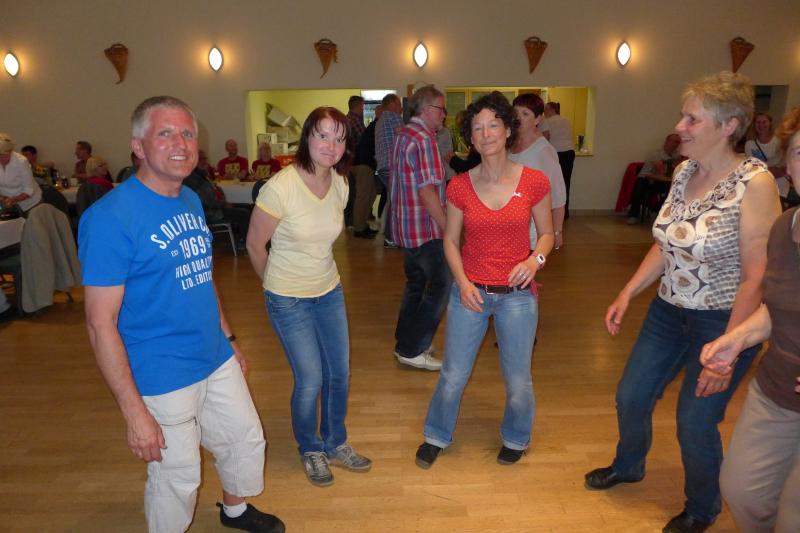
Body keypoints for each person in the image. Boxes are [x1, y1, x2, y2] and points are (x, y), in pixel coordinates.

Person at [583, 71, 782, 533]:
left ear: (728, 125)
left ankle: (702, 507)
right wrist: (628, 291)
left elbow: (756, 277)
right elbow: (667, 244)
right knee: (631, 396)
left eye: (692, 119)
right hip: (668, 312)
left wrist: (728, 349)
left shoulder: (754, 183)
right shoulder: (684, 171)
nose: (680, 126)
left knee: (695, 420)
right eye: (682, 116)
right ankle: (629, 464)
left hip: (724, 320)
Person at [79, 96, 284, 533]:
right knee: (178, 475)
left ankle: (234, 510)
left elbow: (201, 277)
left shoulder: (189, 198)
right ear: (138, 146)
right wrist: (134, 412)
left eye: (187, 133)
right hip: (162, 370)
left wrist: (229, 341)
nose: (181, 143)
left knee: (244, 439)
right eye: (166, 133)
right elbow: (99, 325)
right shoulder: (110, 218)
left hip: (213, 354)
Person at [416, 91, 554, 469]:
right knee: (453, 373)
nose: (486, 133)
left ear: (508, 130)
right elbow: (450, 240)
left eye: (493, 124)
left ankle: (516, 437)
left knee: (518, 378)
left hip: (518, 296)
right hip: (471, 292)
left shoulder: (534, 181)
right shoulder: (460, 186)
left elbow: (547, 234)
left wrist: (535, 260)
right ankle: (436, 435)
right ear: (471, 139)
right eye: (478, 128)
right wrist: (462, 283)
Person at [246, 107, 371, 488]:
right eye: (323, 135)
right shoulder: (280, 187)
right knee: (311, 378)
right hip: (288, 297)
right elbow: (254, 245)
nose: (331, 145)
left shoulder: (340, 183)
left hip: (329, 290)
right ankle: (311, 447)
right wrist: (276, 288)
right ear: (307, 138)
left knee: (339, 373)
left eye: (339, 138)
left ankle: (335, 441)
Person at [700, 107, 800, 533]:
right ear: (787, 164)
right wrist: (738, 338)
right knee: (742, 491)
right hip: (776, 390)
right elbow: (777, 308)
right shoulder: (784, 228)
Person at [389, 85, 451, 371]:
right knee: (441, 286)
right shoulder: (424, 139)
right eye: (441, 109)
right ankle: (412, 349)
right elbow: (427, 192)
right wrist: (448, 229)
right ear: (427, 109)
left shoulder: (404, 134)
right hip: (425, 229)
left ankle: (406, 340)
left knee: (415, 285)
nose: (444, 115)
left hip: (407, 228)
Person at [509, 93, 567, 249]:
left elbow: (558, 194)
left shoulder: (544, 150)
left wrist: (557, 231)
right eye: (515, 113)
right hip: (509, 228)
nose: (518, 118)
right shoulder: (509, 145)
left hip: (531, 232)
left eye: (525, 114)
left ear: (537, 119)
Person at [626, 133, 683, 223]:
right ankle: (634, 214)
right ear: (667, 141)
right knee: (640, 185)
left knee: (675, 189)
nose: (676, 144)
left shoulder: (676, 155)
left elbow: (677, 168)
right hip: (646, 178)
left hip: (661, 180)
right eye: (675, 141)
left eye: (678, 142)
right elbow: (662, 171)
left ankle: (656, 210)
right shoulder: (656, 154)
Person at [375, 93, 403, 248]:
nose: (400, 107)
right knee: (396, 202)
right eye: (398, 104)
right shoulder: (392, 117)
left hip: (383, 167)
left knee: (392, 201)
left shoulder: (380, 120)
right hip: (392, 166)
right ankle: (390, 238)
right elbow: (406, 136)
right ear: (391, 104)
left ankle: (389, 235)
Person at [539, 102, 575, 217]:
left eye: (545, 109)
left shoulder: (545, 121)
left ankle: (553, 213)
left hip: (555, 153)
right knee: (566, 182)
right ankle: (565, 213)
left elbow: (545, 137)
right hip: (569, 152)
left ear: (552, 109)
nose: (544, 112)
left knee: (553, 183)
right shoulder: (566, 120)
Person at [351, 104, 381, 238]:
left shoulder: (374, 126)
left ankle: (362, 224)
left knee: (371, 193)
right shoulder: (377, 126)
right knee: (363, 196)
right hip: (363, 163)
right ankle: (359, 228)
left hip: (360, 162)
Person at [745, 112, 789, 197]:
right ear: (754, 125)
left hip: (779, 188)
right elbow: (751, 168)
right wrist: (774, 169)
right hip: (759, 186)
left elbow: (784, 169)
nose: (761, 125)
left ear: (770, 123)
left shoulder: (779, 141)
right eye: (758, 122)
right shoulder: (749, 144)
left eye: (764, 122)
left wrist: (762, 169)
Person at [0, 133, 42, 215]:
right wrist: (2, 198)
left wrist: (13, 200)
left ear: (10, 152)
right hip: (8, 203)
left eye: (2, 155)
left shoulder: (21, 162)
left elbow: (28, 190)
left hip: (31, 204)